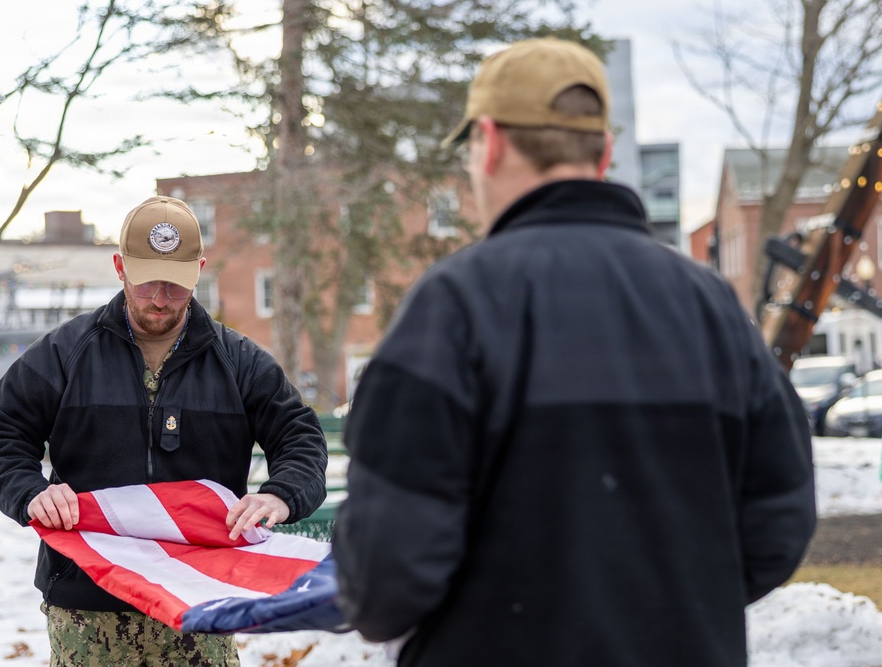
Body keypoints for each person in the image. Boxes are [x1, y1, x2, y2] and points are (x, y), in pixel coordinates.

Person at [332, 38, 816, 666]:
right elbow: (778, 524)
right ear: (604, 152)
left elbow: (384, 575)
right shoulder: (712, 306)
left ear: (489, 142)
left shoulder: (454, 306)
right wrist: (673, 608)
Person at [0, 195, 328, 667]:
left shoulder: (240, 362)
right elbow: (0, 435)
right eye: (147, 282)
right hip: (86, 603)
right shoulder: (63, 353)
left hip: (200, 601)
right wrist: (30, 492)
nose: (160, 299)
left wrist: (282, 494)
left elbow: (300, 436)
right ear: (120, 267)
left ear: (199, 271)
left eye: (176, 285)